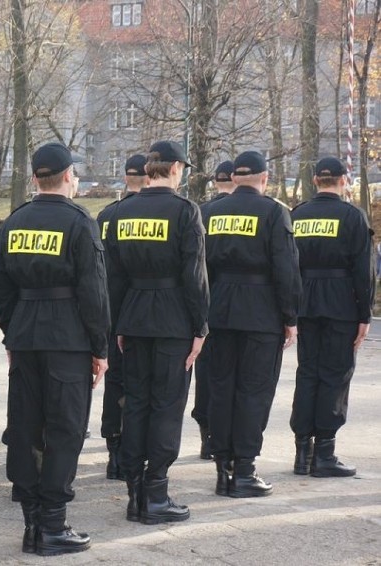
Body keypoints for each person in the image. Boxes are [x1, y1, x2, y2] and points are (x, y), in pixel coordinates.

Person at [0, 143, 110, 556]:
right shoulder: (79, 222)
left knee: (26, 427)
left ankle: (31, 523)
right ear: (68, 177)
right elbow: (94, 293)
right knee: (64, 429)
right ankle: (52, 526)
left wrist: (14, 328)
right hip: (68, 340)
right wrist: (100, 347)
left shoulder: (15, 220)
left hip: (26, 337)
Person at [105, 141, 208, 525]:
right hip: (172, 320)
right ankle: (156, 493)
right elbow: (194, 276)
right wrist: (200, 326)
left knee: (136, 404)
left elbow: (113, 276)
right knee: (166, 405)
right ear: (176, 168)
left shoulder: (122, 212)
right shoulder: (185, 212)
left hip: (133, 317)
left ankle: (135, 492)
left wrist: (118, 322)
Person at [204, 150, 300, 498]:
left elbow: (199, 269)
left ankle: (221, 468)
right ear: (264, 178)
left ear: (233, 178)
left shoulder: (209, 212)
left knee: (220, 388)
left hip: (218, 310)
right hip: (261, 313)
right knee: (253, 391)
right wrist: (290, 317)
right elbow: (285, 268)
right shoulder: (274, 212)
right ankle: (243, 471)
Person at [289, 157, 374, 477]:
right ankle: (324, 452)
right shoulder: (352, 216)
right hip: (340, 304)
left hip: (305, 303)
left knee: (307, 372)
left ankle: (302, 452)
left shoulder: (297, 214)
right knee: (335, 375)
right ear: (343, 180)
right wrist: (364, 314)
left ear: (314, 181)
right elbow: (363, 272)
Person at [95, 153, 147, 481]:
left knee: (115, 382)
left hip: (111, 310)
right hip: (143, 311)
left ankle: (114, 451)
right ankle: (132, 451)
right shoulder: (155, 214)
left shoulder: (107, 215)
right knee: (141, 385)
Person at [192, 160, 236, 461]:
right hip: (243, 304)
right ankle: (227, 438)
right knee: (235, 376)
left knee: (206, 372)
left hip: (206, 303)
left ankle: (206, 436)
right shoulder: (254, 210)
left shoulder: (202, 211)